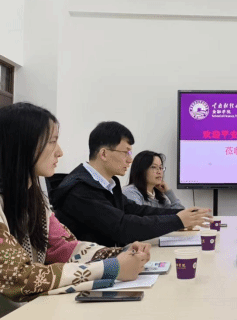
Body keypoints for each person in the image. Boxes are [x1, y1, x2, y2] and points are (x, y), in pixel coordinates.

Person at [0, 103, 150, 305]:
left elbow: (63, 247)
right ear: (22, 144)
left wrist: (122, 253)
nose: (60, 152)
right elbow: (19, 277)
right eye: (52, 141)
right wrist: (111, 267)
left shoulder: (34, 199)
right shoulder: (78, 188)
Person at [51, 122, 212, 247]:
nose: (130, 160)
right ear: (104, 154)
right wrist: (177, 220)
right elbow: (122, 227)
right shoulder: (80, 189)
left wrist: (181, 215)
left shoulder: (108, 184)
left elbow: (137, 211)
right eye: (125, 152)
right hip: (90, 270)